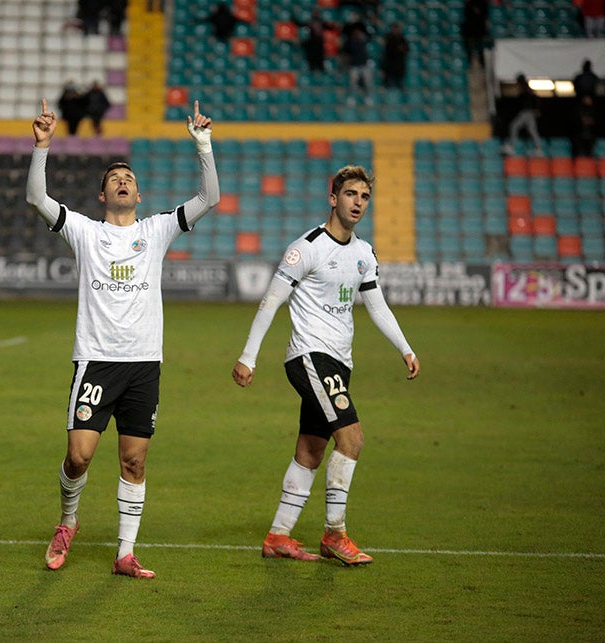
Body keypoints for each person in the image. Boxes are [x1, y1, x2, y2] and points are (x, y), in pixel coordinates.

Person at [27, 98, 219, 579]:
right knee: (79, 455)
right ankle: (68, 522)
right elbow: (37, 199)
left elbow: (209, 199)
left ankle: (124, 553)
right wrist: (43, 146)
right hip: (95, 361)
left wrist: (204, 145)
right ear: (102, 195)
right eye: (114, 178)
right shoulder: (85, 233)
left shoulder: (155, 231)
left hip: (143, 364)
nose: (123, 180)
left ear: (138, 193)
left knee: (134, 461)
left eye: (129, 178)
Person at [232, 165, 420, 566]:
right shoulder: (307, 248)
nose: (358, 203)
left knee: (311, 449)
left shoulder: (363, 253)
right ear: (333, 198)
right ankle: (334, 534)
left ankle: (278, 535)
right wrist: (249, 356)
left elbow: (376, 304)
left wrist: (404, 347)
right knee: (351, 440)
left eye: (365, 197)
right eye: (351, 195)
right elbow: (271, 300)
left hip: (339, 359)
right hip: (309, 356)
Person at [501, 74, 543, 156]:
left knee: (514, 126)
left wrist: (536, 109)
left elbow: (532, 99)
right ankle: (539, 149)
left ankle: (511, 147)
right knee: (532, 130)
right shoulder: (527, 88)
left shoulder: (524, 88)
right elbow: (535, 98)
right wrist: (537, 109)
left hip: (526, 112)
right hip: (529, 112)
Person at [381, 22, 409, 90]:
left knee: (400, 80)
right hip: (390, 62)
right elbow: (390, 49)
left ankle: (401, 91)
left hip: (399, 62)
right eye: (394, 29)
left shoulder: (402, 38)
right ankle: (386, 89)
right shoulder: (389, 37)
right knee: (388, 80)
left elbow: (407, 49)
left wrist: (401, 48)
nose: (396, 31)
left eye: (397, 29)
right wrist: (399, 48)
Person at [461, 0, 489, 69]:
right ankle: (469, 63)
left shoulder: (483, 4)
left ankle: (482, 64)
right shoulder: (468, 4)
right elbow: (467, 15)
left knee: (480, 49)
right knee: (468, 49)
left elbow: (485, 14)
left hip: (479, 31)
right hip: (470, 31)